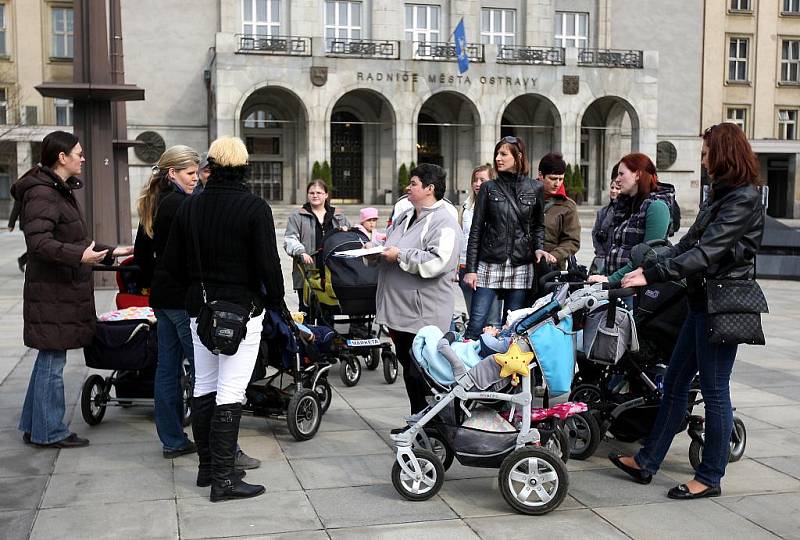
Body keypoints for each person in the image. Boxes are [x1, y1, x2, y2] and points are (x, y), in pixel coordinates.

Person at [612, 123, 765, 500]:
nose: (702, 159)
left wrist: (652, 275)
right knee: (676, 384)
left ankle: (710, 476)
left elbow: (707, 253)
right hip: (700, 302)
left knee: (714, 392)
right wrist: (649, 264)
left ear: (723, 153)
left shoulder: (744, 198)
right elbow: (688, 243)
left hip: (722, 306)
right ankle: (648, 460)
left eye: (705, 152)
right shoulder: (720, 195)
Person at [164, 136, 285, 502]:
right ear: (244, 168)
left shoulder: (190, 207)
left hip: (199, 310)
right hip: (241, 312)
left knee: (204, 385)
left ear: (211, 166)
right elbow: (269, 266)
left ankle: (207, 469)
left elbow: (172, 264)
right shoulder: (254, 207)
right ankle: (224, 479)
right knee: (230, 391)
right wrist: (276, 303)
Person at [14, 131, 131, 448]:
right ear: (61, 157)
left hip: (57, 290)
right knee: (53, 362)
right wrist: (81, 256)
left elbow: (74, 240)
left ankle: (34, 424)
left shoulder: (56, 190)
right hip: (53, 292)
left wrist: (112, 251)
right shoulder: (43, 194)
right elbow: (39, 244)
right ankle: (49, 431)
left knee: (48, 360)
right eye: (78, 153)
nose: (83, 157)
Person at [374, 163, 461, 415]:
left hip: (423, 314)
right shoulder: (405, 215)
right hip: (399, 314)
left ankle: (438, 426)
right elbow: (391, 244)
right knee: (410, 374)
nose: (407, 187)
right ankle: (418, 421)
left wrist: (399, 255)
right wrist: (376, 253)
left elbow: (437, 261)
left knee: (423, 374)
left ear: (429, 188)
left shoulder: (444, 221)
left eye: (413, 183)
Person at [463, 136, 552, 339]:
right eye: (497, 154)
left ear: (518, 156)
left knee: (512, 328)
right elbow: (476, 230)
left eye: (503, 154)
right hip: (489, 261)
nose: (498, 158)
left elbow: (538, 225)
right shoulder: (488, 188)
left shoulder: (535, 188)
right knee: (476, 324)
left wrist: (538, 247)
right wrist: (471, 269)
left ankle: (503, 369)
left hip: (521, 263)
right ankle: (470, 367)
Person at [588, 153, 677, 285]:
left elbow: (648, 257)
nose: (617, 180)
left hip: (634, 290)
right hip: (618, 286)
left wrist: (610, 279)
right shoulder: (628, 205)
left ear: (637, 175)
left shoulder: (657, 206)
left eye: (621, 174)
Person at [283, 180, 349, 313]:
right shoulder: (297, 216)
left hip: (333, 273)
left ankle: (328, 334)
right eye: (311, 193)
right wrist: (301, 252)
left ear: (326, 195)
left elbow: (349, 237)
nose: (315, 195)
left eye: (319, 192)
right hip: (308, 272)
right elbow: (289, 239)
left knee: (330, 311)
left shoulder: (338, 217)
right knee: (307, 311)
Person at [458, 165, 500, 325]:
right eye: (474, 180)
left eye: (482, 180)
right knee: (474, 322)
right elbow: (461, 236)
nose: (477, 183)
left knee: (492, 322)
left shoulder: (497, 206)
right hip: (465, 267)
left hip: (489, 270)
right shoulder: (466, 207)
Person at [539, 152, 581, 270]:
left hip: (551, 268)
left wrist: (553, 256)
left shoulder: (568, 206)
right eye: (552, 179)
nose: (557, 184)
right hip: (523, 266)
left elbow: (572, 241)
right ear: (541, 175)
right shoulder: (526, 198)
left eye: (560, 179)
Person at [590, 164, 622, 274]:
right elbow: (595, 233)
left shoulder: (627, 211)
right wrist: (600, 252)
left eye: (618, 188)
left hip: (619, 261)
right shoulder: (603, 212)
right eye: (612, 187)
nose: (614, 191)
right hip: (603, 259)